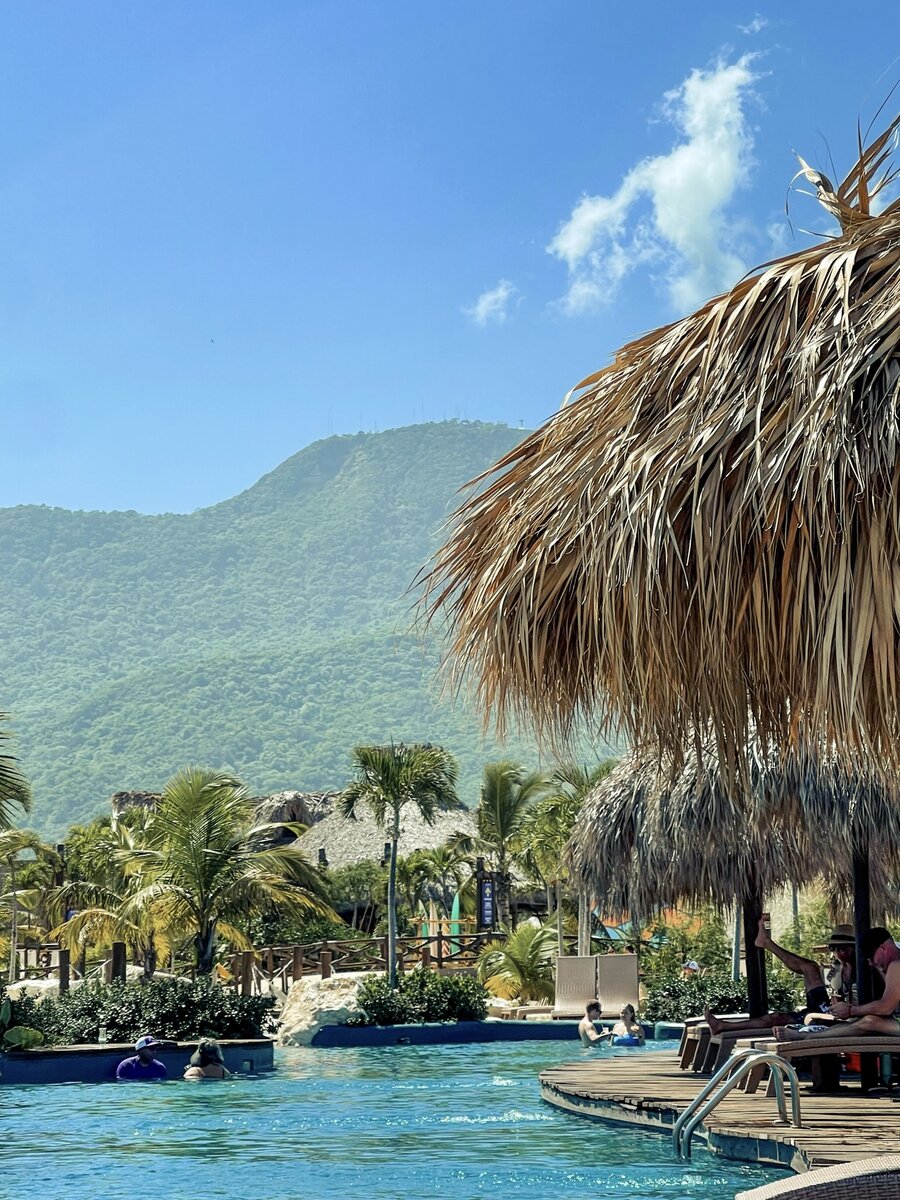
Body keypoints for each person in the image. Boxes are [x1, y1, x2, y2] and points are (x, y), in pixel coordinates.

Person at [704, 920, 856, 1038]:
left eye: (843, 948)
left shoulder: (862, 971)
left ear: (855, 948)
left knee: (777, 1018)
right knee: (810, 967)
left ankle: (723, 1026)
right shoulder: (837, 969)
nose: (839, 953)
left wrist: (846, 1008)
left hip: (843, 1018)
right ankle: (766, 943)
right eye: (834, 948)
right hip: (828, 1010)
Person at [776, 927, 900, 1041]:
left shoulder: (896, 965)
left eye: (871, 958)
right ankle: (809, 1036)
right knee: (859, 1022)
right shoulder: (837, 970)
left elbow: (885, 1007)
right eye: (834, 949)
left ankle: (807, 1037)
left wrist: (851, 1010)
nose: (871, 963)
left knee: (869, 1021)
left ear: (882, 949)